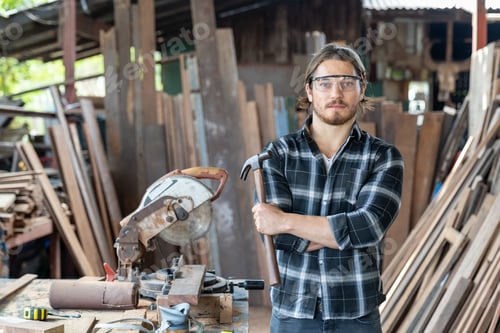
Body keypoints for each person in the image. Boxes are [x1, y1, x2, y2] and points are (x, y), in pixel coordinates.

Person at [252, 43, 404, 333]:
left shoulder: (383, 157)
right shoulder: (277, 155)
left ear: (362, 89)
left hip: (356, 313)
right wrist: (344, 232)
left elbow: (368, 227)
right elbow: (278, 240)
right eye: (325, 83)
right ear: (309, 91)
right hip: (293, 312)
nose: (336, 93)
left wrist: (285, 221)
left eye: (347, 83)